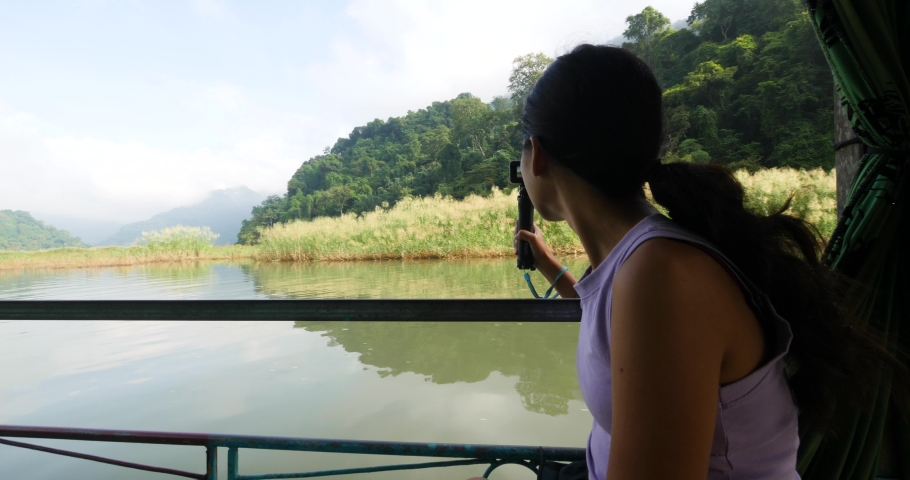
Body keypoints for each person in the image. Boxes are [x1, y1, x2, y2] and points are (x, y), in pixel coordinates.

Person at [471, 44, 903, 480]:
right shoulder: (644, 259)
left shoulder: (661, 275)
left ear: (538, 156)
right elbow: (609, 327)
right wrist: (551, 267)